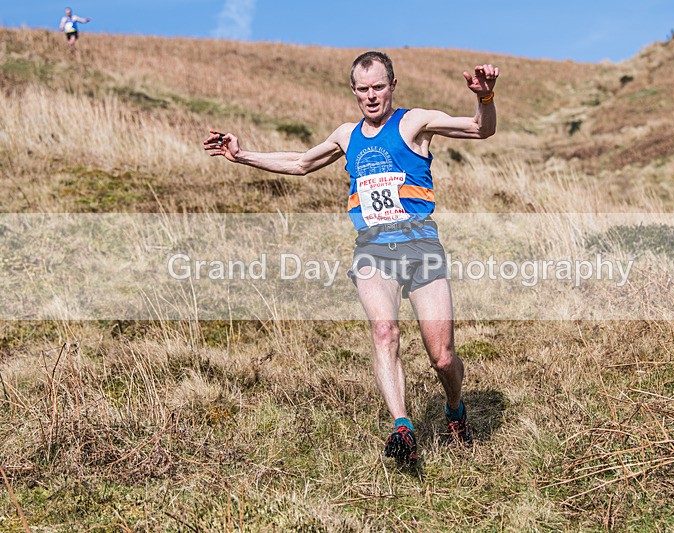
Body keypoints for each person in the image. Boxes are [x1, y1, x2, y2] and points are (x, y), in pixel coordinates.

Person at [204, 51, 498, 466]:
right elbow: (302, 163)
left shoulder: (414, 122)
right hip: (373, 249)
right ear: (354, 91)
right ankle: (403, 427)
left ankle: (455, 410)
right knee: (384, 332)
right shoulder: (346, 134)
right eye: (363, 89)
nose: (371, 96)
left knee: (443, 357)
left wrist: (484, 99)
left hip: (420, 246)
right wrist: (242, 155)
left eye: (379, 87)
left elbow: (477, 130)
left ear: (393, 85)